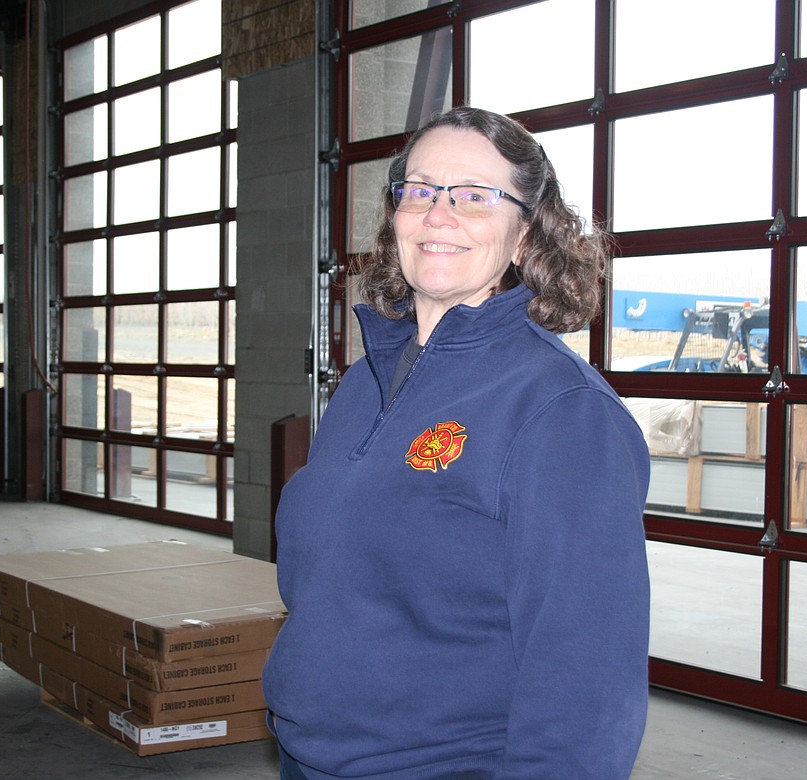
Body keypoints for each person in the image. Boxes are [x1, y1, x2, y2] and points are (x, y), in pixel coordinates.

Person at [263, 106, 651, 779]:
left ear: (526, 234)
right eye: (419, 190)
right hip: (313, 759)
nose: (439, 214)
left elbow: (584, 674)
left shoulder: (561, 410)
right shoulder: (364, 383)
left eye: (474, 197)